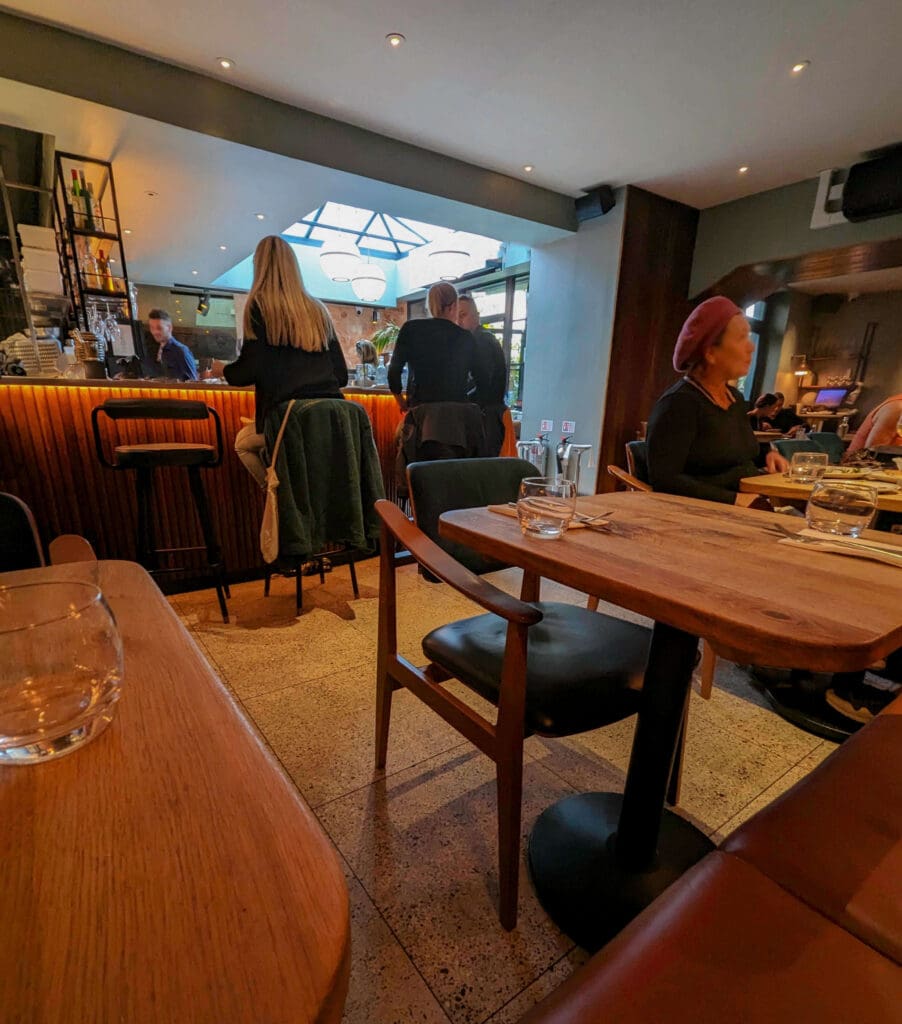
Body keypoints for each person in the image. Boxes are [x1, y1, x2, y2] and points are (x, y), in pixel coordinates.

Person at [219, 236, 348, 487]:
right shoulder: (318, 310)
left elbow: (244, 373)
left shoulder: (258, 306)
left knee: (242, 444)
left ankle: (277, 495)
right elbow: (341, 376)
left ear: (259, 267)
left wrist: (221, 369)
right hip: (331, 421)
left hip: (288, 423)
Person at [647, 297, 788, 505]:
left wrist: (767, 455)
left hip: (749, 499)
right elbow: (665, 480)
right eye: (741, 338)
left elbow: (738, 452)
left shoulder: (735, 398)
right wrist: (735, 500)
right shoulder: (679, 404)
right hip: (707, 514)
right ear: (711, 352)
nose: (751, 347)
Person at [387, 282, 485, 412]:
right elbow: (482, 379)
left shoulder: (411, 329)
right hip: (456, 414)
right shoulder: (465, 337)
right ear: (453, 306)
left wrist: (403, 404)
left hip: (420, 410)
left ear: (429, 305)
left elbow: (393, 372)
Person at [458, 294, 508, 456]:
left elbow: (483, 384)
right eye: (456, 316)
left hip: (487, 417)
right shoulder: (482, 338)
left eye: (463, 315)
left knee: (481, 471)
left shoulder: (480, 341)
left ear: (476, 316)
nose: (458, 321)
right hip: (489, 415)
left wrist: (458, 402)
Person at [148, 308, 198, 381]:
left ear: (169, 328)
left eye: (159, 328)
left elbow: (192, 381)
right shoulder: (158, 349)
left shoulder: (180, 351)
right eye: (152, 328)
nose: (155, 332)